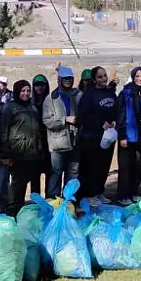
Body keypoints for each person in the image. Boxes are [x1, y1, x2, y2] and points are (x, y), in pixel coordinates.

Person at [0, 80, 45, 215]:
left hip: (34, 152)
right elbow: (3, 130)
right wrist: (5, 153)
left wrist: (40, 149)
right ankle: (14, 212)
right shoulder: (9, 107)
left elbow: (38, 130)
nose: (26, 93)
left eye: (28, 91)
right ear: (17, 91)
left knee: (35, 186)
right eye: (23, 91)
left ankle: (34, 214)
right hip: (18, 153)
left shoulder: (33, 107)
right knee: (18, 186)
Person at [76, 66, 119, 203]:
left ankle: (99, 192)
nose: (104, 79)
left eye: (105, 75)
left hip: (107, 137)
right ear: (94, 80)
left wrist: (114, 120)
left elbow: (116, 109)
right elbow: (83, 116)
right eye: (100, 77)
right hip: (91, 138)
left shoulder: (110, 92)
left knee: (104, 166)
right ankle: (88, 195)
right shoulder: (89, 94)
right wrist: (100, 122)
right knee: (90, 168)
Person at [42, 67, 82, 199]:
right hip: (58, 143)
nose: (68, 81)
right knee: (56, 172)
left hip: (75, 140)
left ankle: (69, 201)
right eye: (65, 79)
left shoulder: (77, 95)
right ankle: (53, 202)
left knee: (73, 173)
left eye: (70, 79)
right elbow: (47, 121)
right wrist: (64, 120)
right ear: (59, 79)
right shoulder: (51, 99)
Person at [117, 66, 141, 203]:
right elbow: (120, 114)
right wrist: (122, 135)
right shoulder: (126, 93)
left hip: (140, 137)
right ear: (132, 77)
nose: (140, 79)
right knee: (125, 167)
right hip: (128, 135)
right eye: (137, 76)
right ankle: (123, 195)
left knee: (137, 166)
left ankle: (134, 192)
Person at [31, 74, 52, 195]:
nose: (39, 87)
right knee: (35, 176)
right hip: (35, 145)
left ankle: (49, 199)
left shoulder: (51, 101)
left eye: (42, 84)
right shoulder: (30, 103)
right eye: (37, 85)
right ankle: (36, 202)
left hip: (49, 142)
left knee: (50, 173)